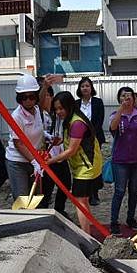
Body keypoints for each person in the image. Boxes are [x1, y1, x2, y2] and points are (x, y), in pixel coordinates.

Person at [47, 91, 102, 234]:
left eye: (61, 108)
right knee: (83, 200)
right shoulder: (70, 120)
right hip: (82, 166)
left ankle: (86, 235)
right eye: (56, 109)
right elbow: (71, 143)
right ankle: (88, 231)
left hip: (86, 167)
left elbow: (71, 150)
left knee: (80, 202)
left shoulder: (77, 123)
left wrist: (50, 161)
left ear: (69, 106)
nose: (58, 112)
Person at [108, 86, 137, 235]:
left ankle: (130, 218)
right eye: (122, 96)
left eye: (129, 96)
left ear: (134, 99)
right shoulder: (115, 114)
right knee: (119, 191)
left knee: (134, 191)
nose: (126, 98)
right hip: (120, 160)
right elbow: (113, 128)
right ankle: (114, 222)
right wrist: (121, 109)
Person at [5, 74, 46, 202]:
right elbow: (19, 143)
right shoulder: (16, 116)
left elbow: (38, 130)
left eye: (31, 97)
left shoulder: (37, 110)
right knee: (22, 199)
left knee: (36, 198)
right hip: (18, 162)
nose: (28, 100)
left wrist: (47, 137)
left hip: (35, 159)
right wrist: (34, 161)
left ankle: (36, 222)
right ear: (19, 98)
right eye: (24, 97)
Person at [40, 85, 72, 218]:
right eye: (43, 96)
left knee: (65, 183)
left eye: (47, 95)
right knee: (46, 188)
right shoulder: (39, 113)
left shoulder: (60, 114)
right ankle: (44, 212)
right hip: (47, 157)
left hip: (60, 156)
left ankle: (59, 209)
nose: (45, 99)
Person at [75, 77, 105, 206]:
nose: (85, 88)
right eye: (82, 86)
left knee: (95, 165)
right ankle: (86, 192)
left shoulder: (98, 102)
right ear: (79, 89)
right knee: (84, 166)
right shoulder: (76, 104)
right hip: (79, 140)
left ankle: (95, 193)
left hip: (95, 138)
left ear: (91, 88)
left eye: (87, 86)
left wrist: (91, 135)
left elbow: (99, 120)